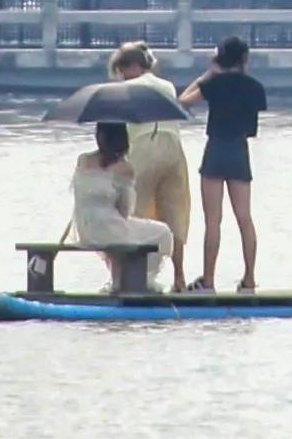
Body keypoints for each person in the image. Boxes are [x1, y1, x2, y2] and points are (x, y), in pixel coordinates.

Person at [176, 35, 267, 291]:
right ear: (244, 59)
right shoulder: (255, 87)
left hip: (216, 148)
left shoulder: (214, 84)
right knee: (245, 219)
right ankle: (249, 279)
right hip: (240, 149)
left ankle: (209, 280)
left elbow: (182, 101)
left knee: (212, 221)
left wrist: (207, 74)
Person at [107, 40, 196, 258]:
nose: (122, 77)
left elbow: (124, 130)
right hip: (173, 148)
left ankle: (134, 274)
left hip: (144, 147)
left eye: (122, 71)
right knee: (175, 212)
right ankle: (179, 278)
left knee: (134, 213)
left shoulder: (127, 89)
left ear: (133, 67)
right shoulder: (168, 86)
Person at [65, 120, 176, 289]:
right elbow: (125, 210)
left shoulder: (83, 160)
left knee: (123, 232)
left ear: (99, 137)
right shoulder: (124, 168)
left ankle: (118, 281)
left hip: (85, 229)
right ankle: (141, 280)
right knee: (163, 232)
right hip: (107, 229)